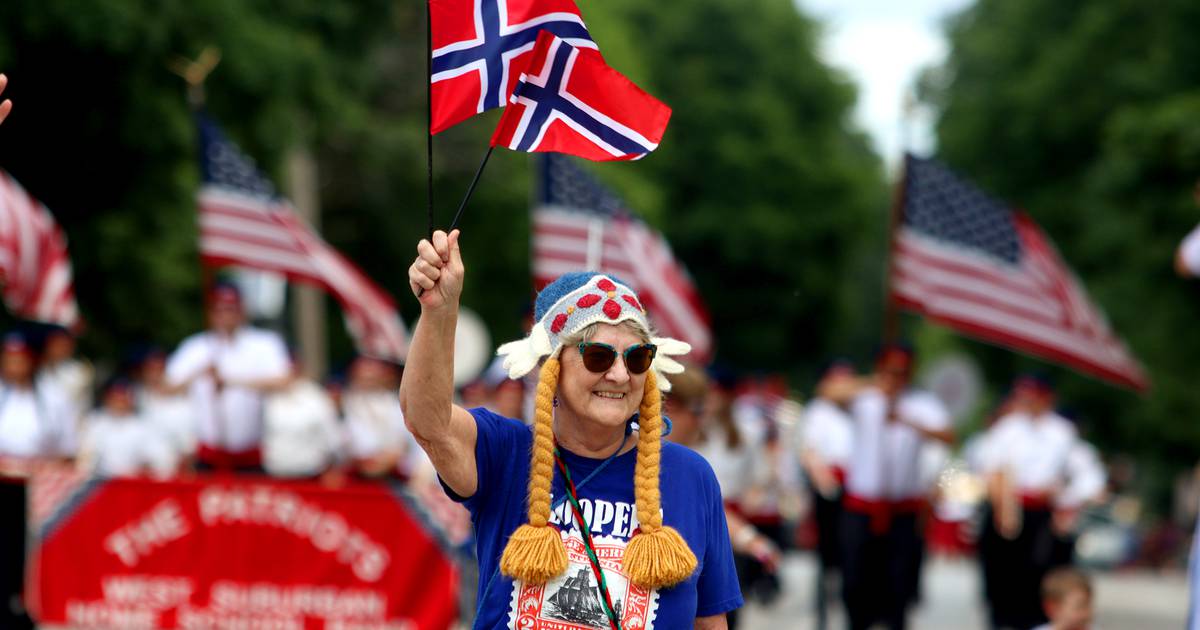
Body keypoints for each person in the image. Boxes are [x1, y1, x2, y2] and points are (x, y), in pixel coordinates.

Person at [402, 229, 742, 628]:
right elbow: (426, 420)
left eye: (637, 358)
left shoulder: (691, 475)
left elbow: (710, 623)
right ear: (552, 368)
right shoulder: (505, 452)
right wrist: (439, 312)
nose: (619, 375)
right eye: (598, 356)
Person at [839, 344, 953, 630]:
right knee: (855, 578)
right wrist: (875, 384)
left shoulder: (922, 403)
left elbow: (947, 434)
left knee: (898, 582)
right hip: (862, 505)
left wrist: (907, 420)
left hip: (902, 508)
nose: (896, 378)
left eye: (902, 372)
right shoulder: (865, 397)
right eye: (891, 371)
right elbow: (830, 392)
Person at [979, 376, 1103, 630]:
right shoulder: (1007, 429)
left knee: (1040, 580)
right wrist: (1003, 506)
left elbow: (1089, 477)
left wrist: (1066, 499)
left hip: (1043, 515)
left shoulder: (1062, 432)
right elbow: (991, 470)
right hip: (1009, 511)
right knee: (1002, 580)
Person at [664, 364, 779, 630]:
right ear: (670, 407)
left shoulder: (695, 457)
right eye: (697, 411)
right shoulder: (672, 460)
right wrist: (749, 538)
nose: (701, 420)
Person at [164, 283, 290, 472]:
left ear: (241, 310)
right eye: (219, 309)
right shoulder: (196, 346)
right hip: (209, 457)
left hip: (249, 457)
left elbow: (283, 381)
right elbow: (167, 387)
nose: (225, 315)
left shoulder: (264, 343)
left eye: (231, 309)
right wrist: (199, 371)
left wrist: (232, 381)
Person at [798, 360, 857, 629]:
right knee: (827, 553)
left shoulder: (857, 411)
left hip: (856, 490)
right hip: (830, 488)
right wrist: (824, 482)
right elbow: (809, 451)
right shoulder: (817, 412)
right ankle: (823, 609)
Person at [261, 355, 344, 479]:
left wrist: (334, 464)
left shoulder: (316, 397)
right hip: (275, 472)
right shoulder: (270, 398)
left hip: (310, 473)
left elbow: (332, 435)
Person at [77, 378, 176, 478]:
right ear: (107, 398)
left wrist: (148, 467)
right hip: (100, 481)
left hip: (132, 481)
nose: (120, 402)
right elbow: (84, 460)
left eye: (124, 397)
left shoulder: (144, 425)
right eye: (115, 397)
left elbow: (162, 460)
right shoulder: (94, 422)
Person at [135, 348, 198, 469]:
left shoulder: (182, 406)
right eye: (150, 369)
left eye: (159, 369)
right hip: (141, 468)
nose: (154, 374)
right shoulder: (138, 398)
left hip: (171, 470)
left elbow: (188, 449)